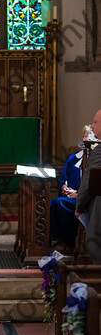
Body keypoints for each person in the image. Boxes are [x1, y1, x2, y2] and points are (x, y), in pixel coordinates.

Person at [50, 125, 94, 253]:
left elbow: (91, 183)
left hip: (84, 198)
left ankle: (68, 242)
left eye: (89, 135)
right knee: (54, 204)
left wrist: (78, 194)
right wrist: (64, 187)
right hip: (70, 195)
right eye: (85, 135)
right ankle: (60, 240)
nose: (86, 138)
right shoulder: (75, 156)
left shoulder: (95, 158)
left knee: (60, 204)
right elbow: (64, 177)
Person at [75, 109, 101, 264]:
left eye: (95, 122)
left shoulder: (99, 152)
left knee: (94, 243)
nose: (91, 126)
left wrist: (79, 206)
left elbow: (88, 182)